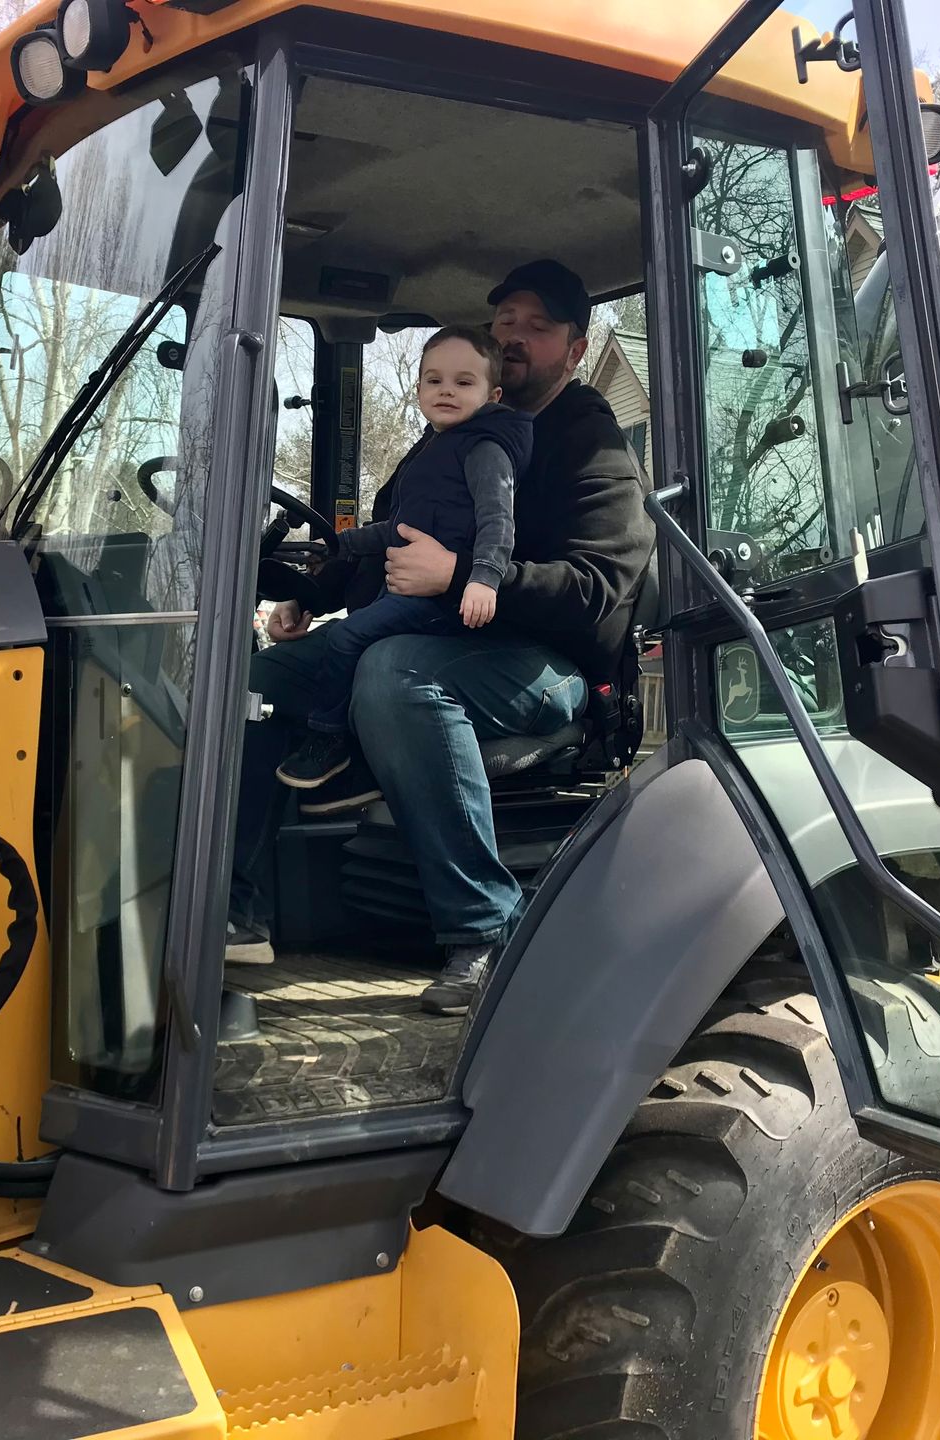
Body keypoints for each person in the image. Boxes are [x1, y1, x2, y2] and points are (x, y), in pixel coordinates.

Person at [228, 259, 652, 1016]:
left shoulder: (590, 447)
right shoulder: (445, 442)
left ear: (576, 350)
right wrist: (307, 595)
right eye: (506, 323)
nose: (516, 338)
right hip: (436, 635)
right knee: (259, 682)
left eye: (539, 328)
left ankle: (483, 935)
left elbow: (598, 596)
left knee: (393, 672)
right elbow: (397, 548)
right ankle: (236, 910)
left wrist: (462, 575)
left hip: (549, 670)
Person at [274, 325, 533, 789]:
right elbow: (399, 528)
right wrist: (337, 547)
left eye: (463, 382)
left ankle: (331, 741)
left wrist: (482, 578)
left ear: (492, 394)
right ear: (418, 390)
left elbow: (499, 519)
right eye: (434, 381)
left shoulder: (485, 448)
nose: (446, 391)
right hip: (410, 592)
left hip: (444, 603)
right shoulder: (433, 453)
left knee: (345, 639)